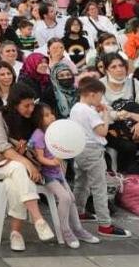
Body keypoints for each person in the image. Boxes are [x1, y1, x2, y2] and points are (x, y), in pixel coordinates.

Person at [0, 84, 57, 251]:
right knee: (19, 168)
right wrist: (28, 163)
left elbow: (39, 143)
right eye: (26, 106)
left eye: (32, 104)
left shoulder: (31, 118)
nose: (31, 109)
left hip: (20, 169)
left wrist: (27, 152)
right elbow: (2, 147)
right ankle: (38, 219)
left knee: (13, 184)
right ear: (15, 104)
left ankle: (16, 233)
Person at [29, 103, 97, 249]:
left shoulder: (55, 131)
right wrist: (53, 162)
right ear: (38, 119)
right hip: (46, 174)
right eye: (46, 115)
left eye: (51, 114)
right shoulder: (39, 135)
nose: (51, 117)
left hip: (58, 172)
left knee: (71, 198)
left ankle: (78, 229)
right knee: (65, 198)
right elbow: (39, 157)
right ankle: (65, 231)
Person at [71, 77, 131, 237]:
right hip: (93, 151)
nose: (100, 100)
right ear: (92, 94)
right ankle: (105, 225)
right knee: (99, 188)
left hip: (79, 149)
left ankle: (78, 212)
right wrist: (105, 114)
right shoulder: (90, 112)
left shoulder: (76, 108)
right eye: (100, 96)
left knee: (81, 183)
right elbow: (102, 132)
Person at [100, 53, 139, 180]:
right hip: (113, 128)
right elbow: (103, 111)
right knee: (128, 147)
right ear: (106, 70)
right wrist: (127, 115)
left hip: (138, 124)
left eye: (121, 65)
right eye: (113, 67)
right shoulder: (100, 85)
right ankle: (126, 179)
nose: (119, 69)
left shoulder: (133, 82)